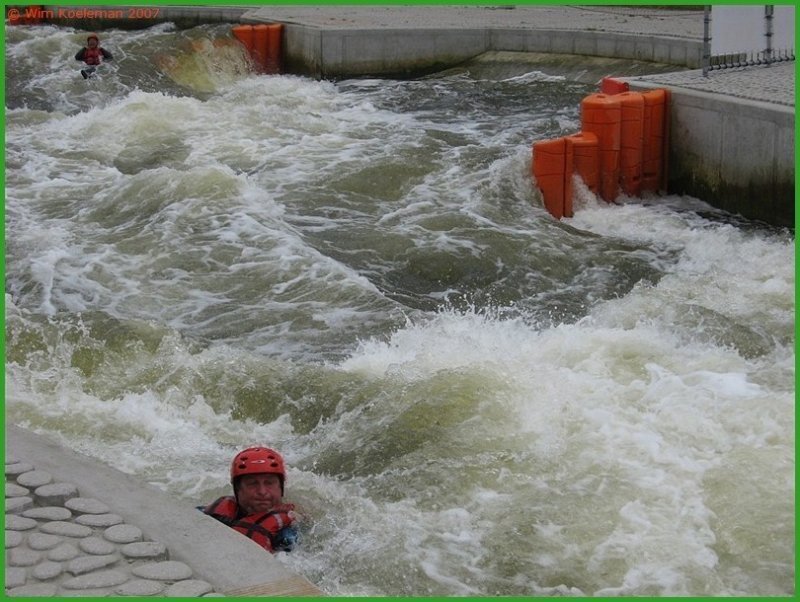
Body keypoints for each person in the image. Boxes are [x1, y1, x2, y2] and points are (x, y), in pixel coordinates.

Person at [201, 446, 300, 553]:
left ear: (281, 487)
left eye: (269, 483)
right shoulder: (210, 515)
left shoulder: (287, 536)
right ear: (238, 489)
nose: (262, 491)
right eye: (252, 483)